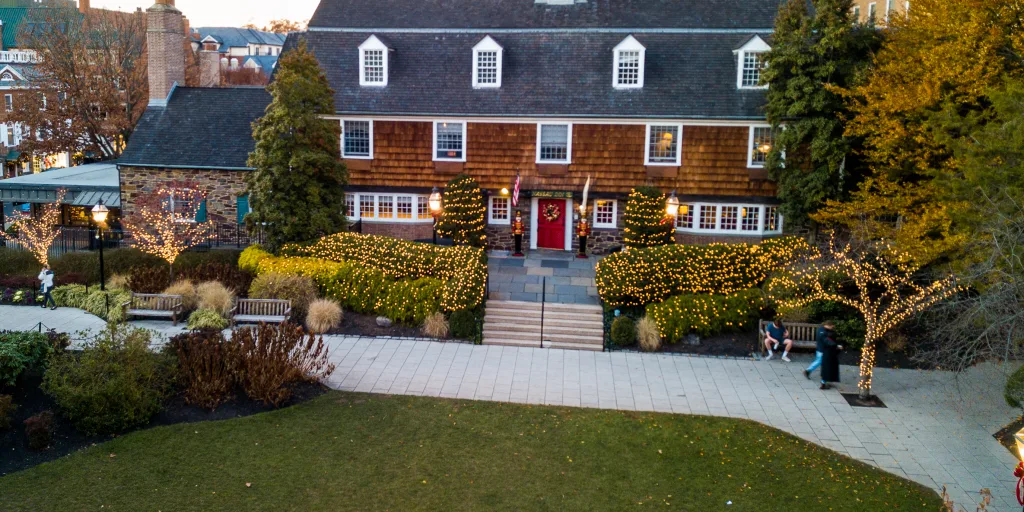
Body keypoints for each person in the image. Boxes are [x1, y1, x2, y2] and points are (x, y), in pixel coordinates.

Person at [804, 321, 842, 389]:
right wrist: (836, 346)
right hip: (823, 351)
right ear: (828, 325)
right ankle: (809, 371)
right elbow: (826, 340)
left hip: (820, 350)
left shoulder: (821, 330)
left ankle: (809, 371)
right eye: (832, 327)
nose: (832, 328)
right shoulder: (823, 332)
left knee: (819, 362)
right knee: (822, 363)